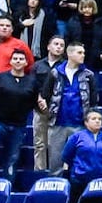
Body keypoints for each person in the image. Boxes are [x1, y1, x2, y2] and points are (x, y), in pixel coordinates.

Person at [0, 47, 38, 180]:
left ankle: (7, 188)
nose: (18, 61)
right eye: (15, 58)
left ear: (26, 63)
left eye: (21, 59)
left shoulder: (32, 82)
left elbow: (34, 103)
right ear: (10, 61)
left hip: (18, 126)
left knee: (11, 161)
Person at [40, 40, 98, 167]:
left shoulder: (89, 75)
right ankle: (56, 184)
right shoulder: (55, 73)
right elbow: (45, 95)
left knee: (79, 162)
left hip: (80, 125)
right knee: (55, 162)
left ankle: (77, 186)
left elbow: (94, 102)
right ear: (70, 54)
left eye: (83, 52)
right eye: (80, 52)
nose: (83, 55)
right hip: (57, 124)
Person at [31, 36, 65, 172]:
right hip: (40, 108)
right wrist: (39, 99)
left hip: (59, 109)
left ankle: (55, 173)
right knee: (39, 143)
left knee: (55, 144)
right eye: (56, 44)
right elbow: (32, 85)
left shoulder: (65, 66)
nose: (58, 47)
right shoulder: (37, 65)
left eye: (61, 45)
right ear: (48, 46)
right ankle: (39, 172)